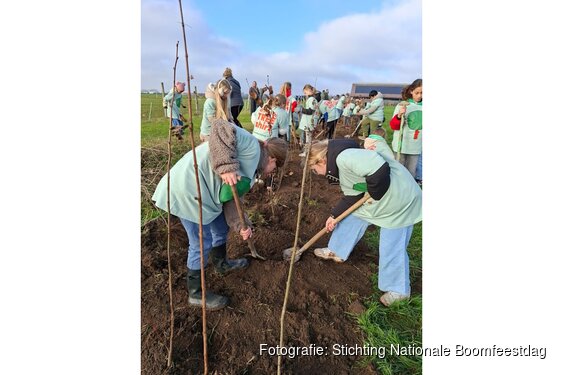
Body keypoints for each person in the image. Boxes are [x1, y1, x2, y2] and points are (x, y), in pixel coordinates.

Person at [152, 119, 288, 310]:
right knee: (201, 240)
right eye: (275, 169)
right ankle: (196, 293)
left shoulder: (251, 169)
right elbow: (220, 127)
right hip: (188, 187)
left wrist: (242, 225)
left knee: (221, 226)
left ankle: (221, 263)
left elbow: (231, 200)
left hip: (207, 194)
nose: (271, 173)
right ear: (273, 159)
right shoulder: (251, 146)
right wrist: (226, 166)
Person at [307, 139, 422, 306]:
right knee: (351, 217)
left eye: (314, 170)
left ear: (322, 160)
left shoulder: (344, 158)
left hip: (400, 200)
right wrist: (334, 215)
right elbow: (353, 194)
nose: (317, 174)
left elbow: (378, 168)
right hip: (381, 199)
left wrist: (374, 193)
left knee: (392, 245)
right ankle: (337, 250)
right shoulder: (340, 163)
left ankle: (398, 290)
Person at [389, 79, 422, 179]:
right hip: (401, 145)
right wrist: (399, 115)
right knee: (398, 171)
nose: (420, 95)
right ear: (411, 91)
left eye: (422, 93)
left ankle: (409, 191)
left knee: (411, 172)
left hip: (415, 146)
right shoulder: (402, 105)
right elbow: (393, 126)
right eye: (417, 93)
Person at [298, 84, 319, 156]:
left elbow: (310, 111)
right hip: (311, 122)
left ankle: (306, 152)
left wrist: (301, 109)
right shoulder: (314, 99)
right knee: (309, 137)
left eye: (305, 92)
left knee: (308, 138)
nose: (305, 94)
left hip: (309, 122)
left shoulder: (311, 99)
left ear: (308, 91)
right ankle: (308, 152)